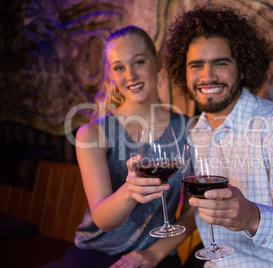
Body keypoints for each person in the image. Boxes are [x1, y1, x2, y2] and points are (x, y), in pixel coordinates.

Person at [166, 6, 273, 268]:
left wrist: (252, 217)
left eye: (220, 63)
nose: (207, 76)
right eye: (196, 65)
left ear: (243, 69)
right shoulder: (197, 132)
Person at [59, 25, 196, 268]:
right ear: (111, 75)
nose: (130, 76)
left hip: (158, 252)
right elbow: (103, 220)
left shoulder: (189, 130)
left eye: (139, 62)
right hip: (97, 252)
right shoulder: (93, 133)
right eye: (119, 68)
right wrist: (129, 191)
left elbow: (192, 209)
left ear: (157, 63)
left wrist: (155, 253)